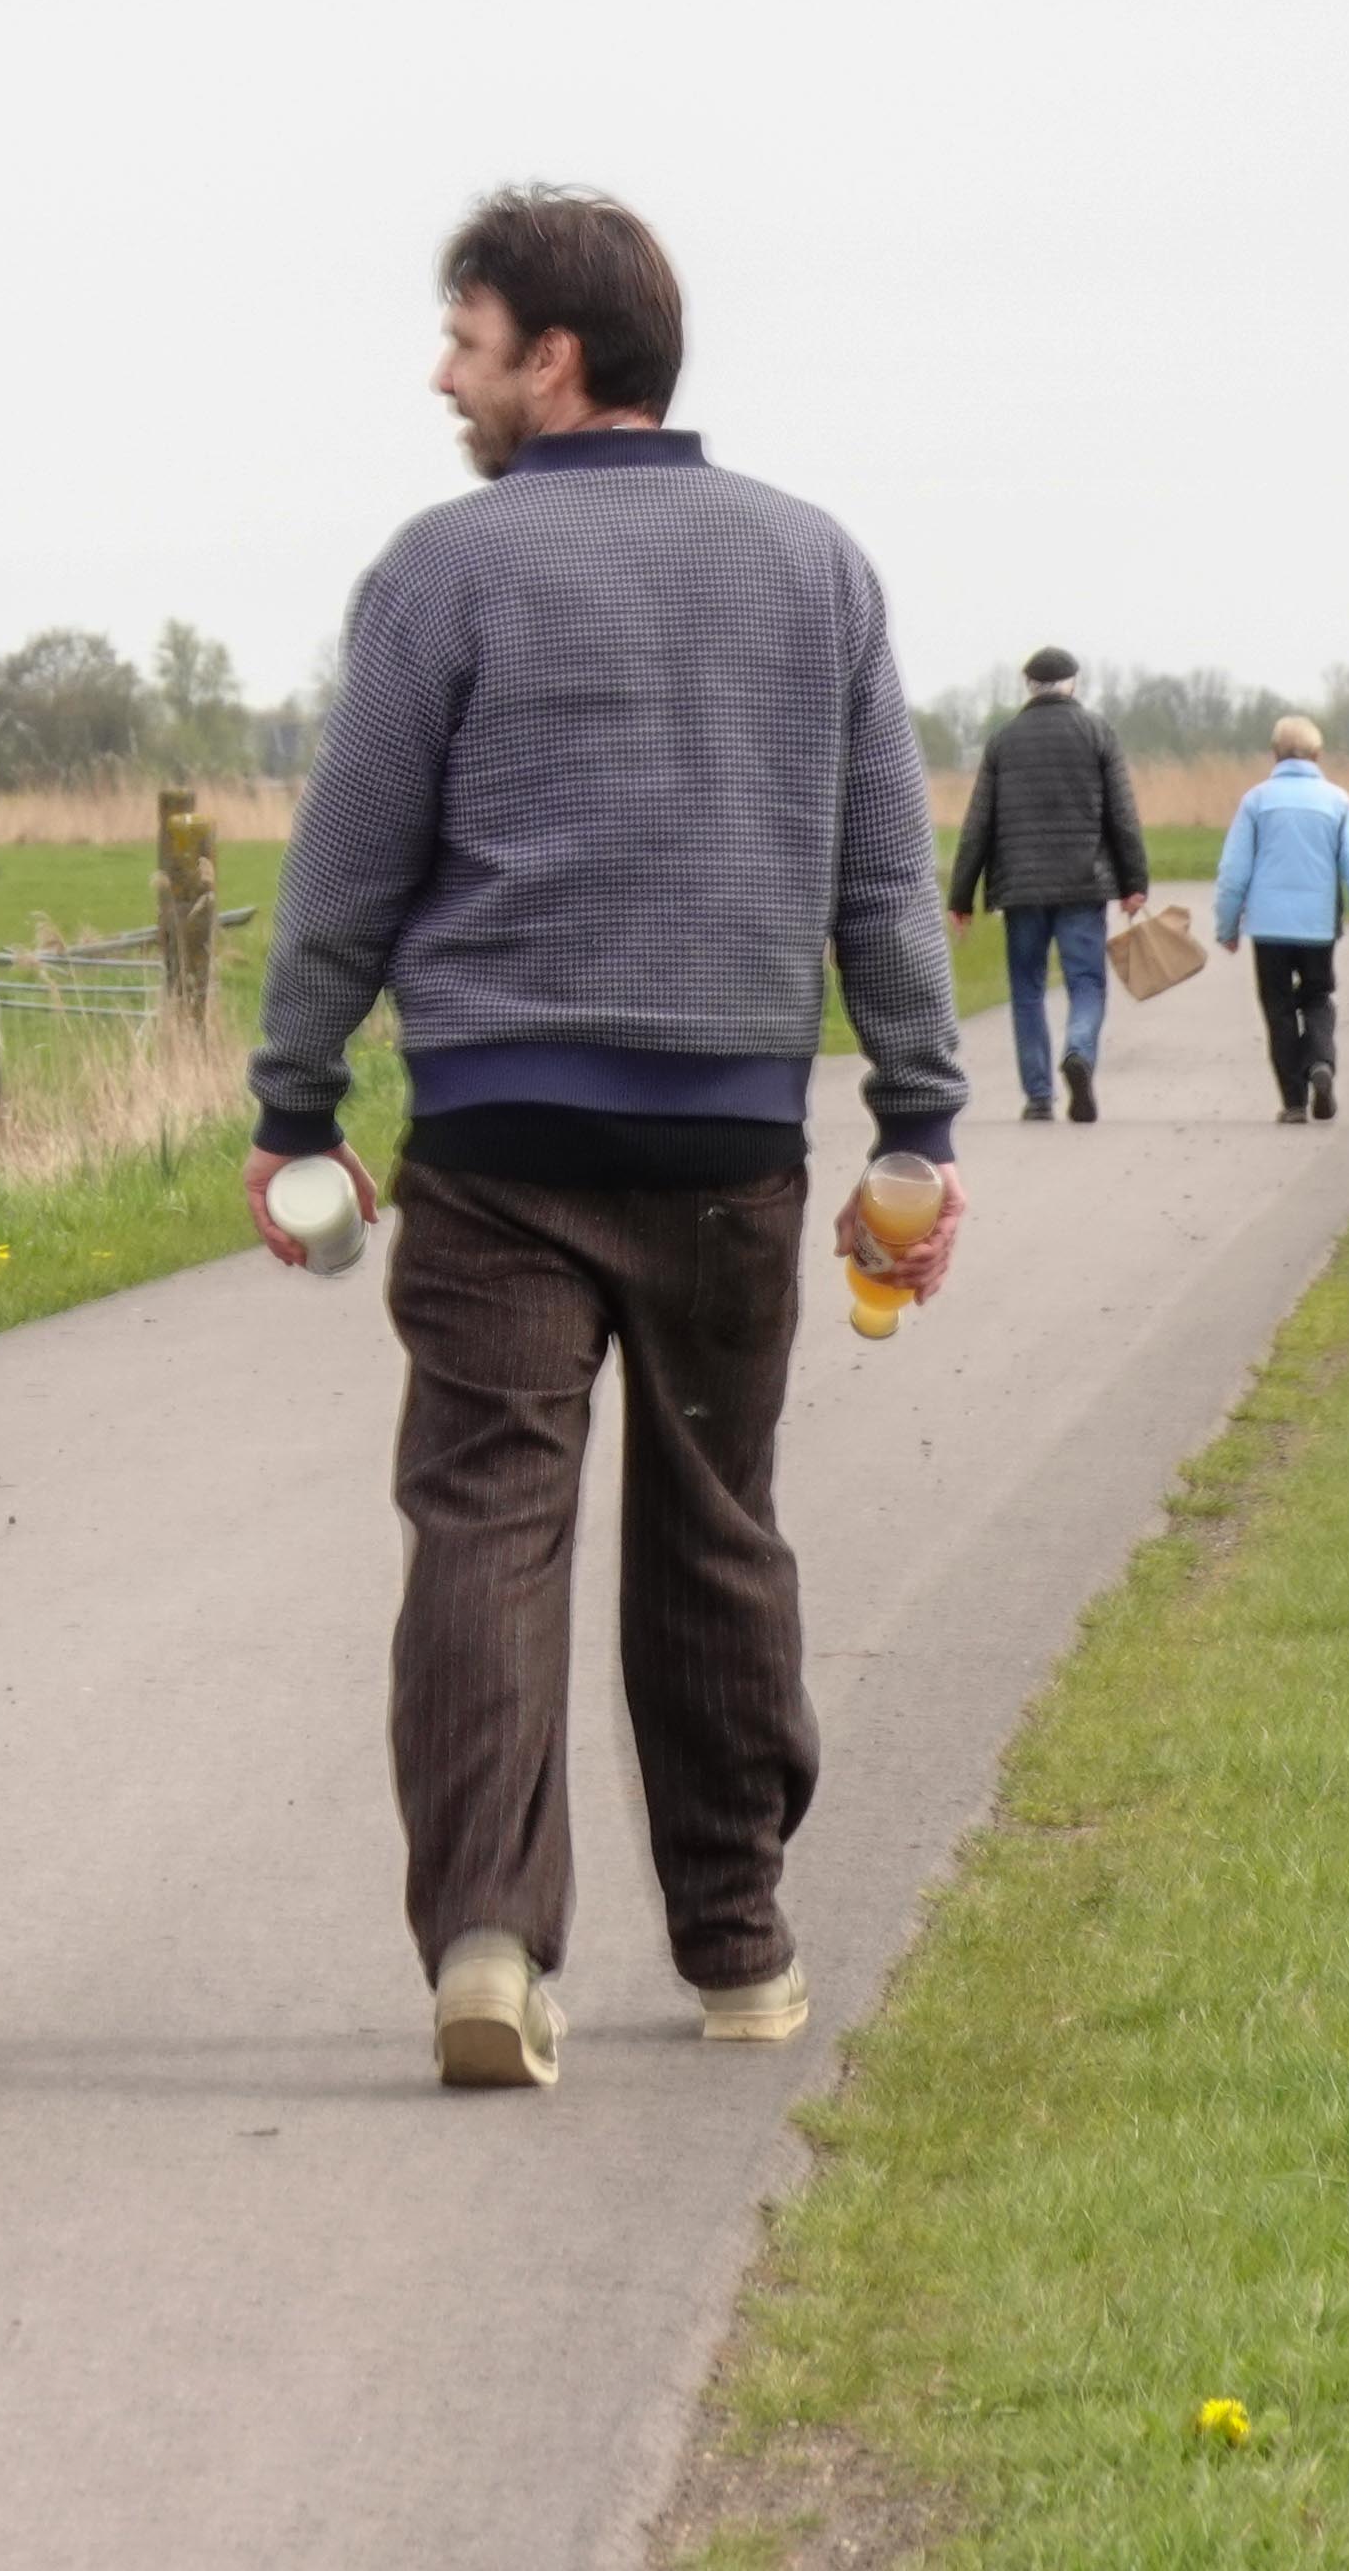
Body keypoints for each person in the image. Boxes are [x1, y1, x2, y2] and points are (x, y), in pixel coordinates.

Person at [245, 186, 968, 2091]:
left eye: (466, 340)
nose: (444, 375)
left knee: (484, 1520)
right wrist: (914, 1117)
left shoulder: (441, 570)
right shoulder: (817, 566)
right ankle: (738, 1944)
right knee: (715, 1523)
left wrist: (295, 1101)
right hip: (726, 1143)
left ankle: (489, 1939)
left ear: (553, 358)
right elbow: (884, 879)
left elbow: (345, 863)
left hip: (495, 1141)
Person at [943, 646, 1149, 1123]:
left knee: (1028, 989)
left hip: (1020, 889)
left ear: (1029, 685)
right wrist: (1134, 882)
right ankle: (1079, 1051)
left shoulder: (1003, 740)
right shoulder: (1097, 732)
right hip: (1084, 884)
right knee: (1086, 982)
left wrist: (961, 896)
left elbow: (978, 824)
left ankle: (1038, 1096)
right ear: (1072, 683)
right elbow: (1122, 815)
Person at [1213, 714, 1349, 1125]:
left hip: (1268, 927)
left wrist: (1227, 926)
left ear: (1274, 754)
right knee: (1317, 996)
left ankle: (1293, 1101)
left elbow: (1233, 873)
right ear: (1318, 755)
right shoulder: (1336, 801)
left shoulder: (1256, 801)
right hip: (1317, 925)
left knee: (1278, 1007)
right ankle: (1320, 1062)